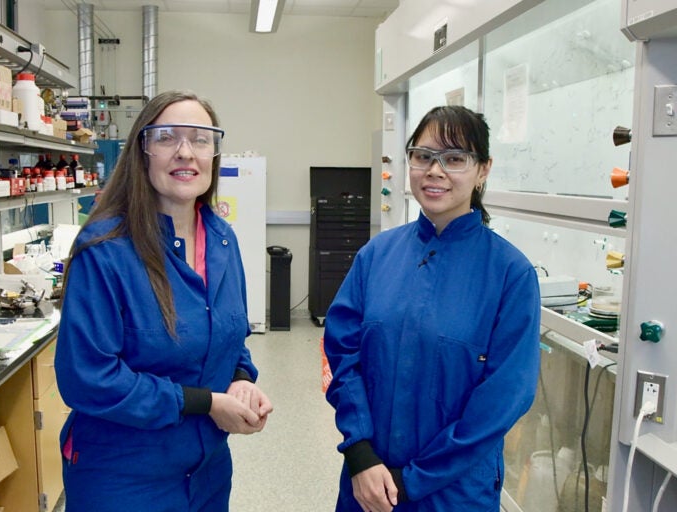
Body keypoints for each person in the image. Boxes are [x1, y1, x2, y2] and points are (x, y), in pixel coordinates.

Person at [55, 90, 273, 512]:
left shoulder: (223, 241)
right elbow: (86, 378)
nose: (185, 153)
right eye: (167, 138)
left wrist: (242, 379)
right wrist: (207, 402)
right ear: (143, 151)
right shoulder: (106, 248)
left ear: (214, 153)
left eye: (200, 139)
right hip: (123, 477)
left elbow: (231, 335)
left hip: (207, 471)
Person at [324, 105, 540, 511]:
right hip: (367, 482)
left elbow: (503, 398)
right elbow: (341, 353)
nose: (435, 171)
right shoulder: (377, 255)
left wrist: (414, 480)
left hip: (454, 491)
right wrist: (359, 453)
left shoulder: (510, 274)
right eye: (423, 156)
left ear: (483, 169)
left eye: (455, 159)